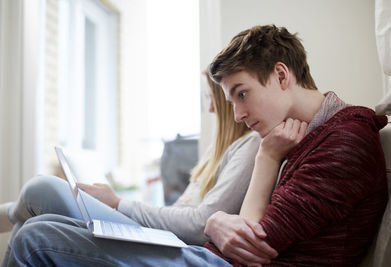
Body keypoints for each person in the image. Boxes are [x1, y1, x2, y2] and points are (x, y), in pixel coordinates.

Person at [2, 24, 388, 267]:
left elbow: (252, 243)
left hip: (221, 261)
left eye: (242, 94)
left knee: (37, 237)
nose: (236, 114)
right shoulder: (300, 134)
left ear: (281, 75)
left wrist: (225, 212)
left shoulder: (342, 142)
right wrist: (222, 221)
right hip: (214, 255)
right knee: (44, 222)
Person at [0, 72, 261, 247]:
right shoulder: (221, 151)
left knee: (43, 189)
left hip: (173, 241)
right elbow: (183, 213)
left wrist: (118, 203)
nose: (210, 108)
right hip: (162, 233)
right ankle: (14, 215)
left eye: (210, 97)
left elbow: (198, 223)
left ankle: (8, 214)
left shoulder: (250, 146)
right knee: (29, 225)